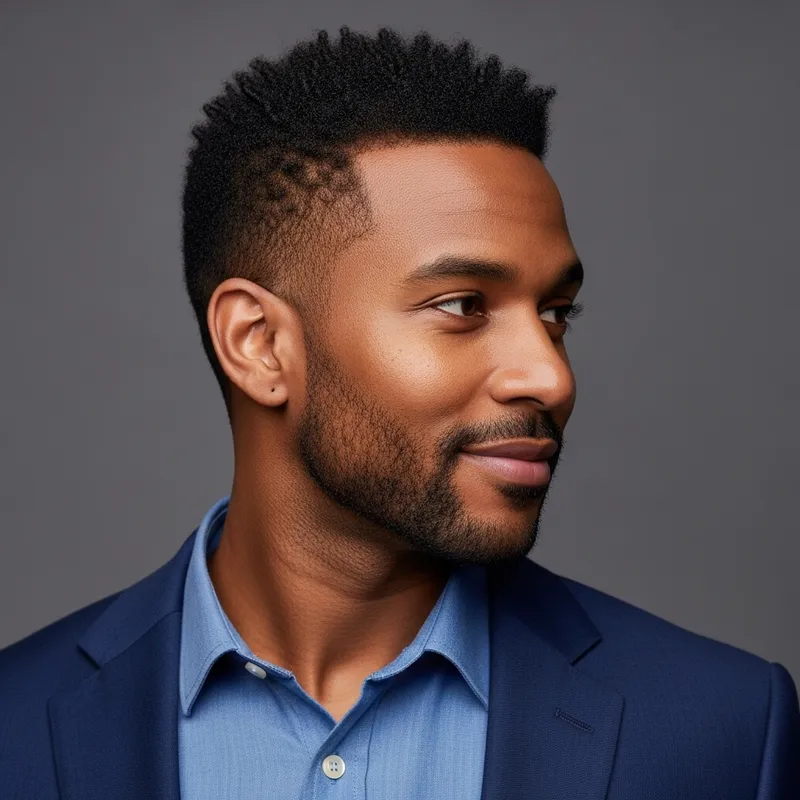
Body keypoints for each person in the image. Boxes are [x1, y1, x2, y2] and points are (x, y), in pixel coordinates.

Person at [1, 25, 797, 800]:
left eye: (556, 313)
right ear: (259, 344)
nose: (551, 377)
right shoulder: (16, 726)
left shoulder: (722, 732)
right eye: (462, 305)